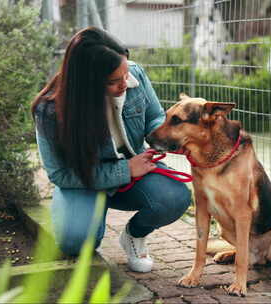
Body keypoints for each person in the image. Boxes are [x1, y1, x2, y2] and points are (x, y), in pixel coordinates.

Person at [31, 27, 191, 273]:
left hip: (136, 172)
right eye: (114, 81)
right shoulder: (49, 110)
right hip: (84, 182)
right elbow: (59, 175)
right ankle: (86, 212)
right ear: (86, 83)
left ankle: (133, 236)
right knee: (75, 242)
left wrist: (171, 139)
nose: (125, 84)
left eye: (125, 74)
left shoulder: (134, 74)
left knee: (175, 197)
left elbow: (154, 117)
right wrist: (124, 170)